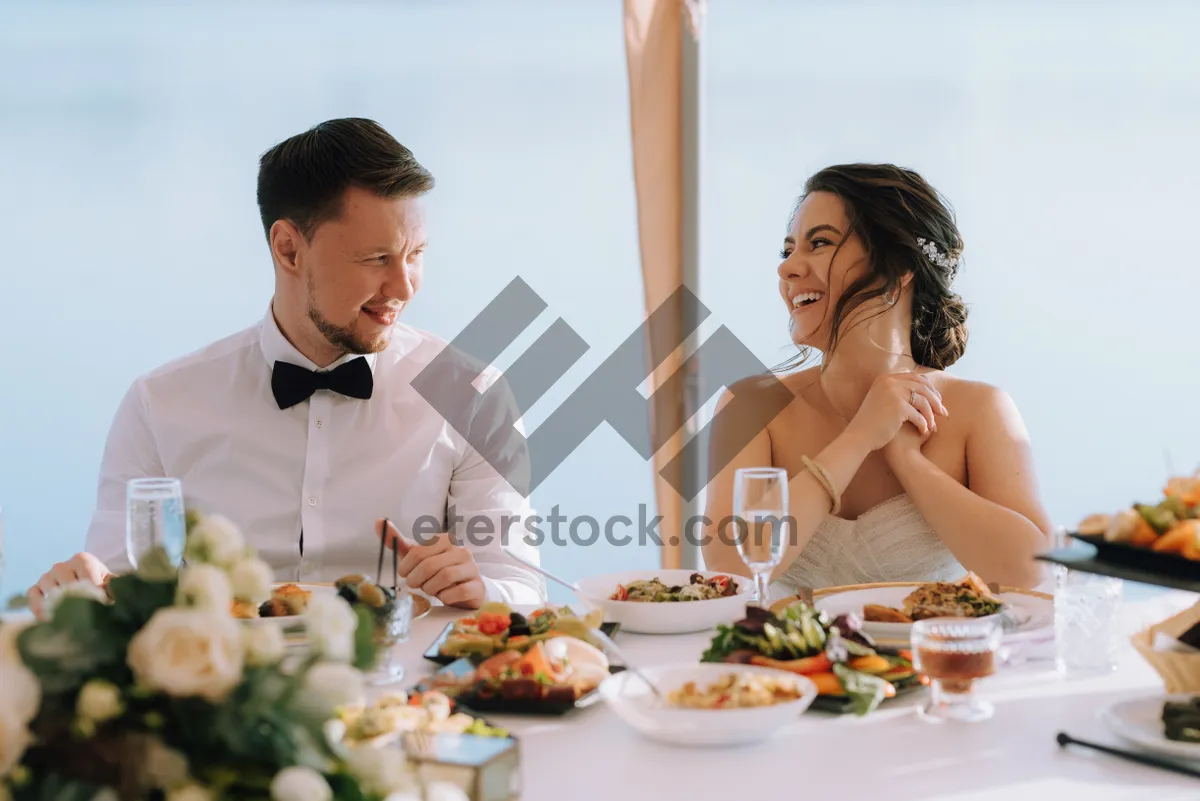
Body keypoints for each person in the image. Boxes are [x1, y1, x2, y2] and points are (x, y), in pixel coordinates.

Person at [27, 117, 544, 617]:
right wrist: (82, 598)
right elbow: (120, 591)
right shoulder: (160, 405)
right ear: (289, 249)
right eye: (375, 259)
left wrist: (481, 588)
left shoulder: (472, 394)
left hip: (408, 696)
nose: (404, 287)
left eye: (415, 254)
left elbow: (522, 588)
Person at [701, 163, 1052, 592]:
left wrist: (909, 462)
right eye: (788, 251)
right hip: (780, 660)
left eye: (820, 243)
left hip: (932, 658)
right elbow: (728, 572)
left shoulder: (979, 411)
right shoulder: (751, 407)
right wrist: (859, 438)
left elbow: (1033, 576)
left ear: (898, 266)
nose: (788, 268)